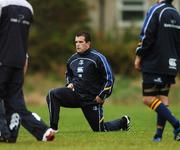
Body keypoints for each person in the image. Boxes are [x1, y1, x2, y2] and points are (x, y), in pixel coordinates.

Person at [46, 31, 130, 133]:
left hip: (91, 99)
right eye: (76, 42)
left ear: (88, 44)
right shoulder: (72, 59)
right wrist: (69, 83)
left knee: (99, 129)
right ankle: (53, 129)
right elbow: (69, 74)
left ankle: (123, 122)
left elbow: (110, 78)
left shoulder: (98, 58)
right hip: (75, 95)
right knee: (52, 94)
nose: (77, 44)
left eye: (81, 42)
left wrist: (102, 96)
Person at [0, 0, 55, 143]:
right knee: (15, 101)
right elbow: (21, 38)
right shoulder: (28, 7)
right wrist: (25, 60)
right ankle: (42, 131)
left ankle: (3, 131)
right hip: (19, 61)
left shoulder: (2, 4)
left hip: (2, 60)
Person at [134, 0, 180, 142]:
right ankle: (158, 135)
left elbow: (147, 35)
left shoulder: (156, 10)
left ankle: (177, 125)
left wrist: (139, 55)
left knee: (147, 99)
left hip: (155, 63)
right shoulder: (176, 14)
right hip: (171, 64)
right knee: (163, 98)